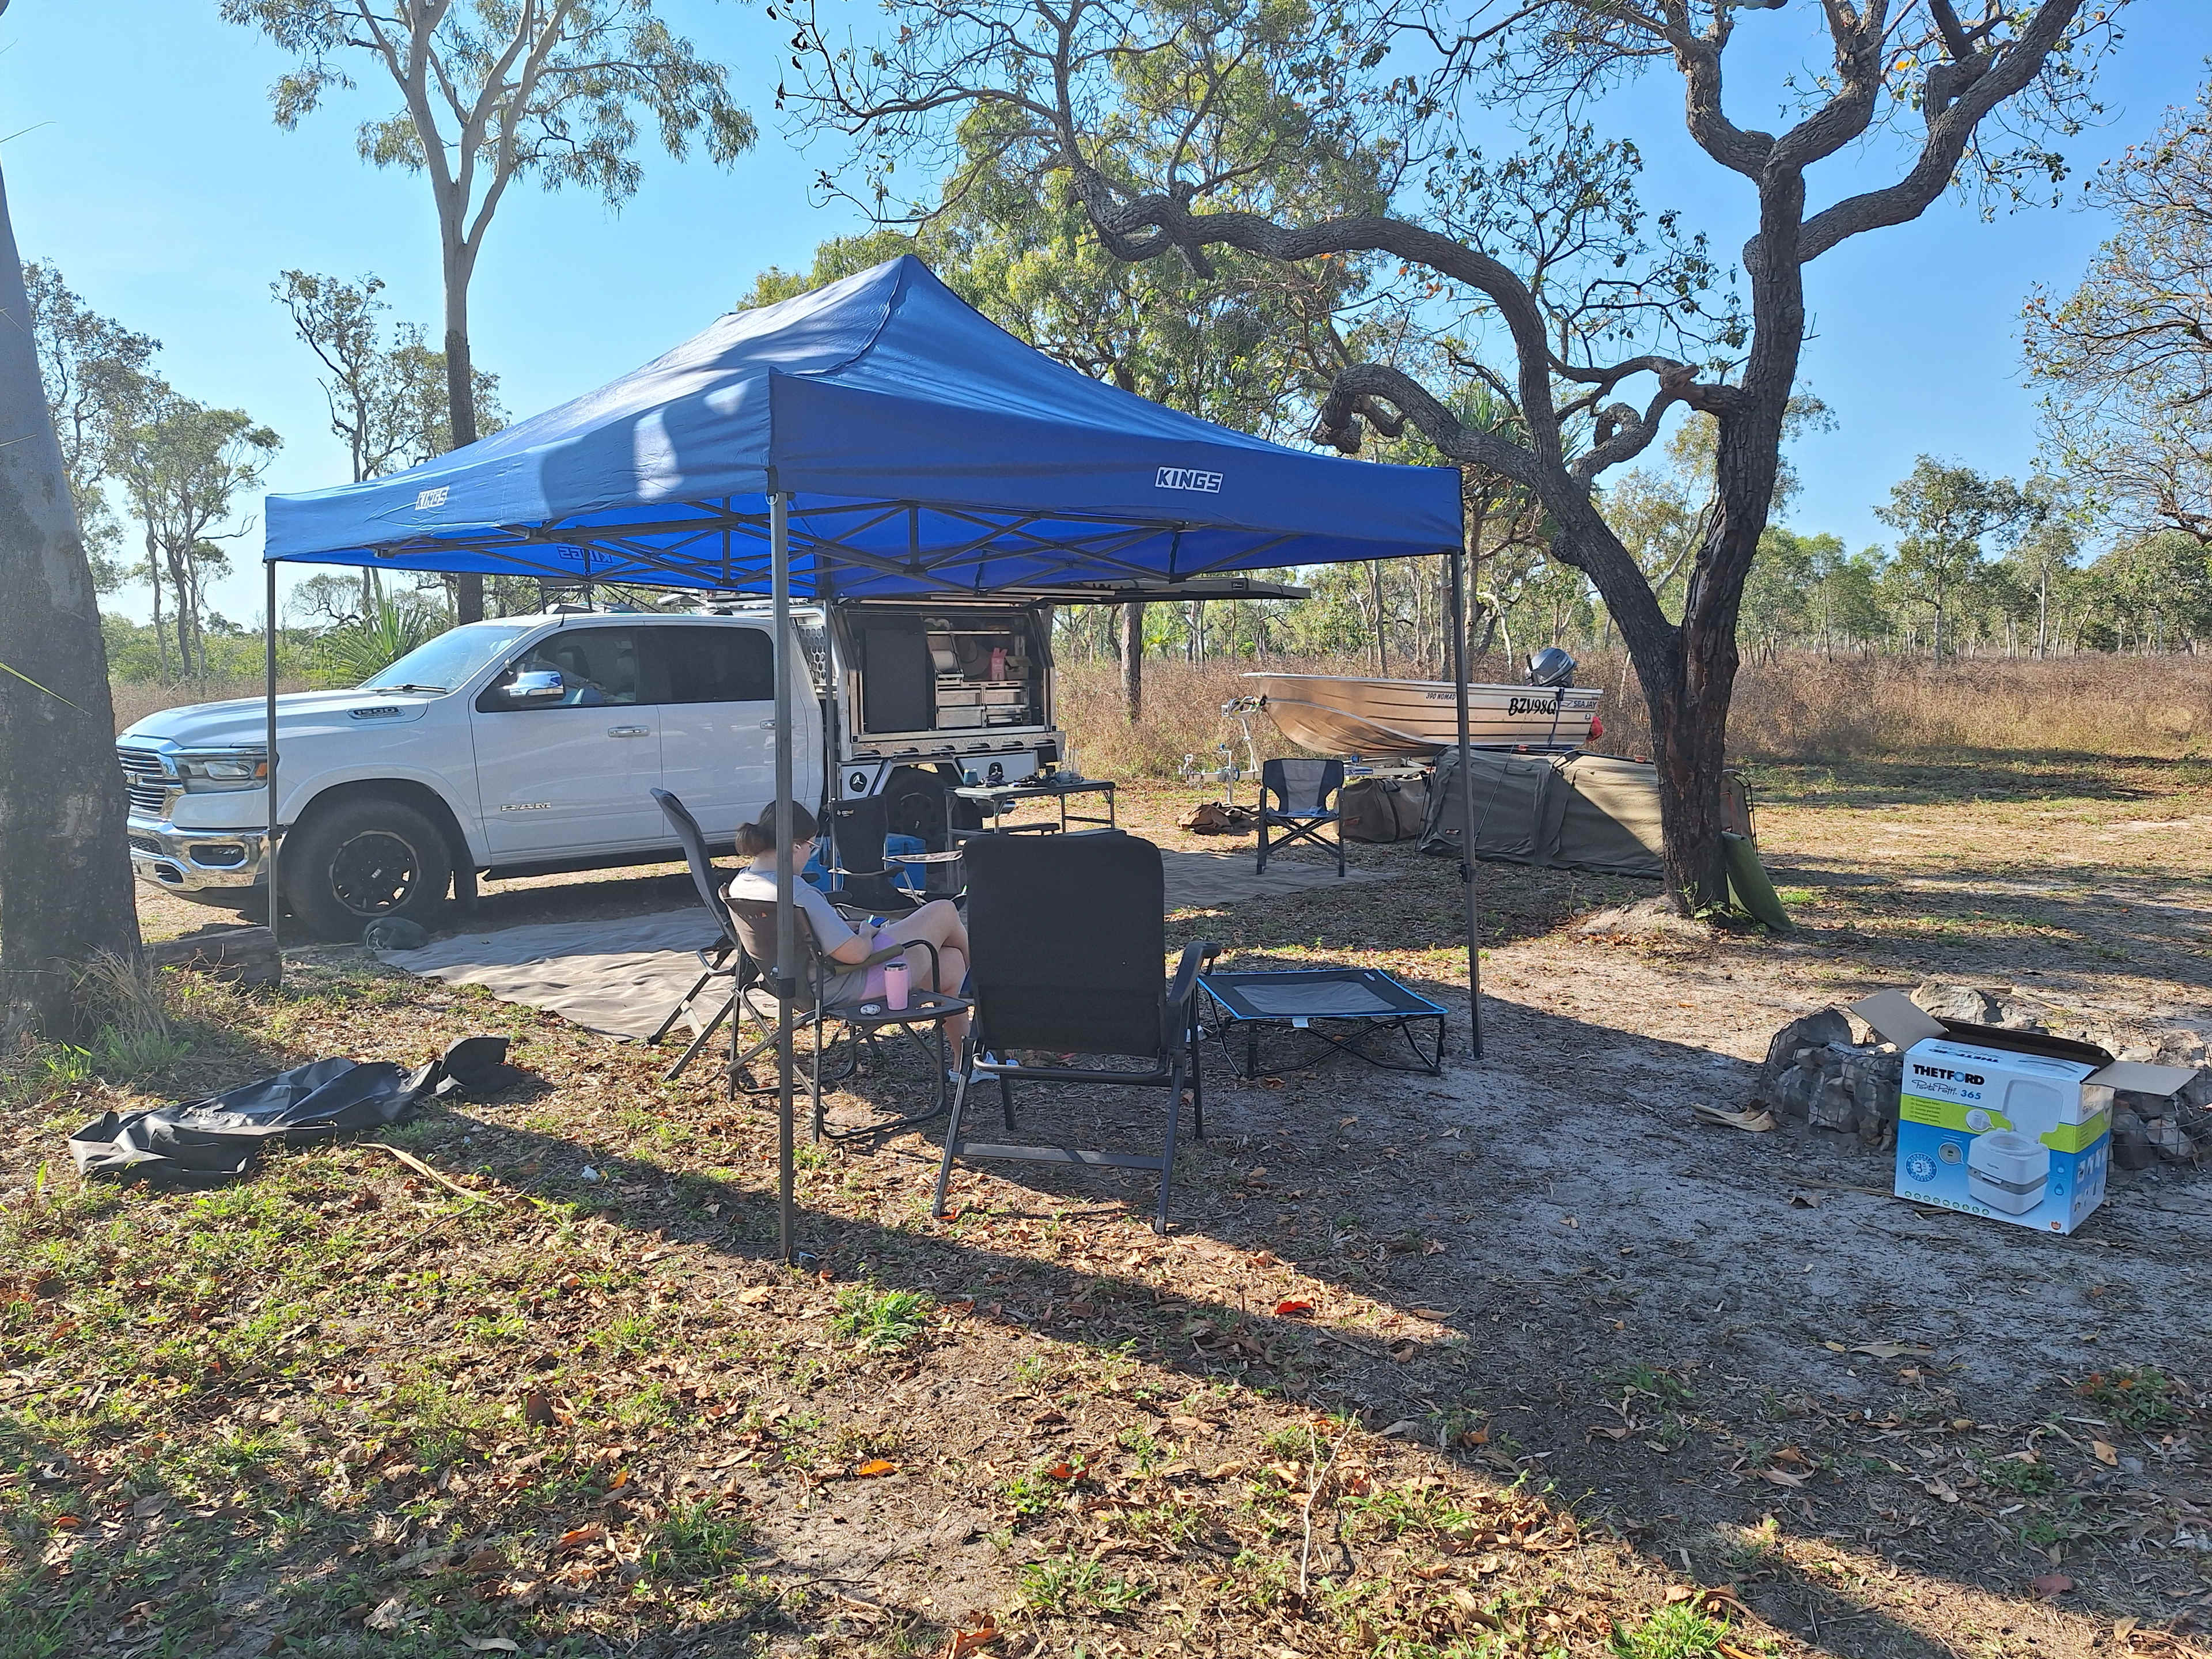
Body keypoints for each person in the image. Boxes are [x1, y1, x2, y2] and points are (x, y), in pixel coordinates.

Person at [724, 802, 970, 1048]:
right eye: (812, 846)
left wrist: (843, 929)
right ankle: (989, 989)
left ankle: (964, 1065)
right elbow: (857, 954)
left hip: (796, 984)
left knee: (951, 963)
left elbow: (811, 939)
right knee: (944, 910)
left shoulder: (740, 884)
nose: (810, 853)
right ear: (795, 846)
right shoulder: (796, 893)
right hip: (843, 986)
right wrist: (865, 930)